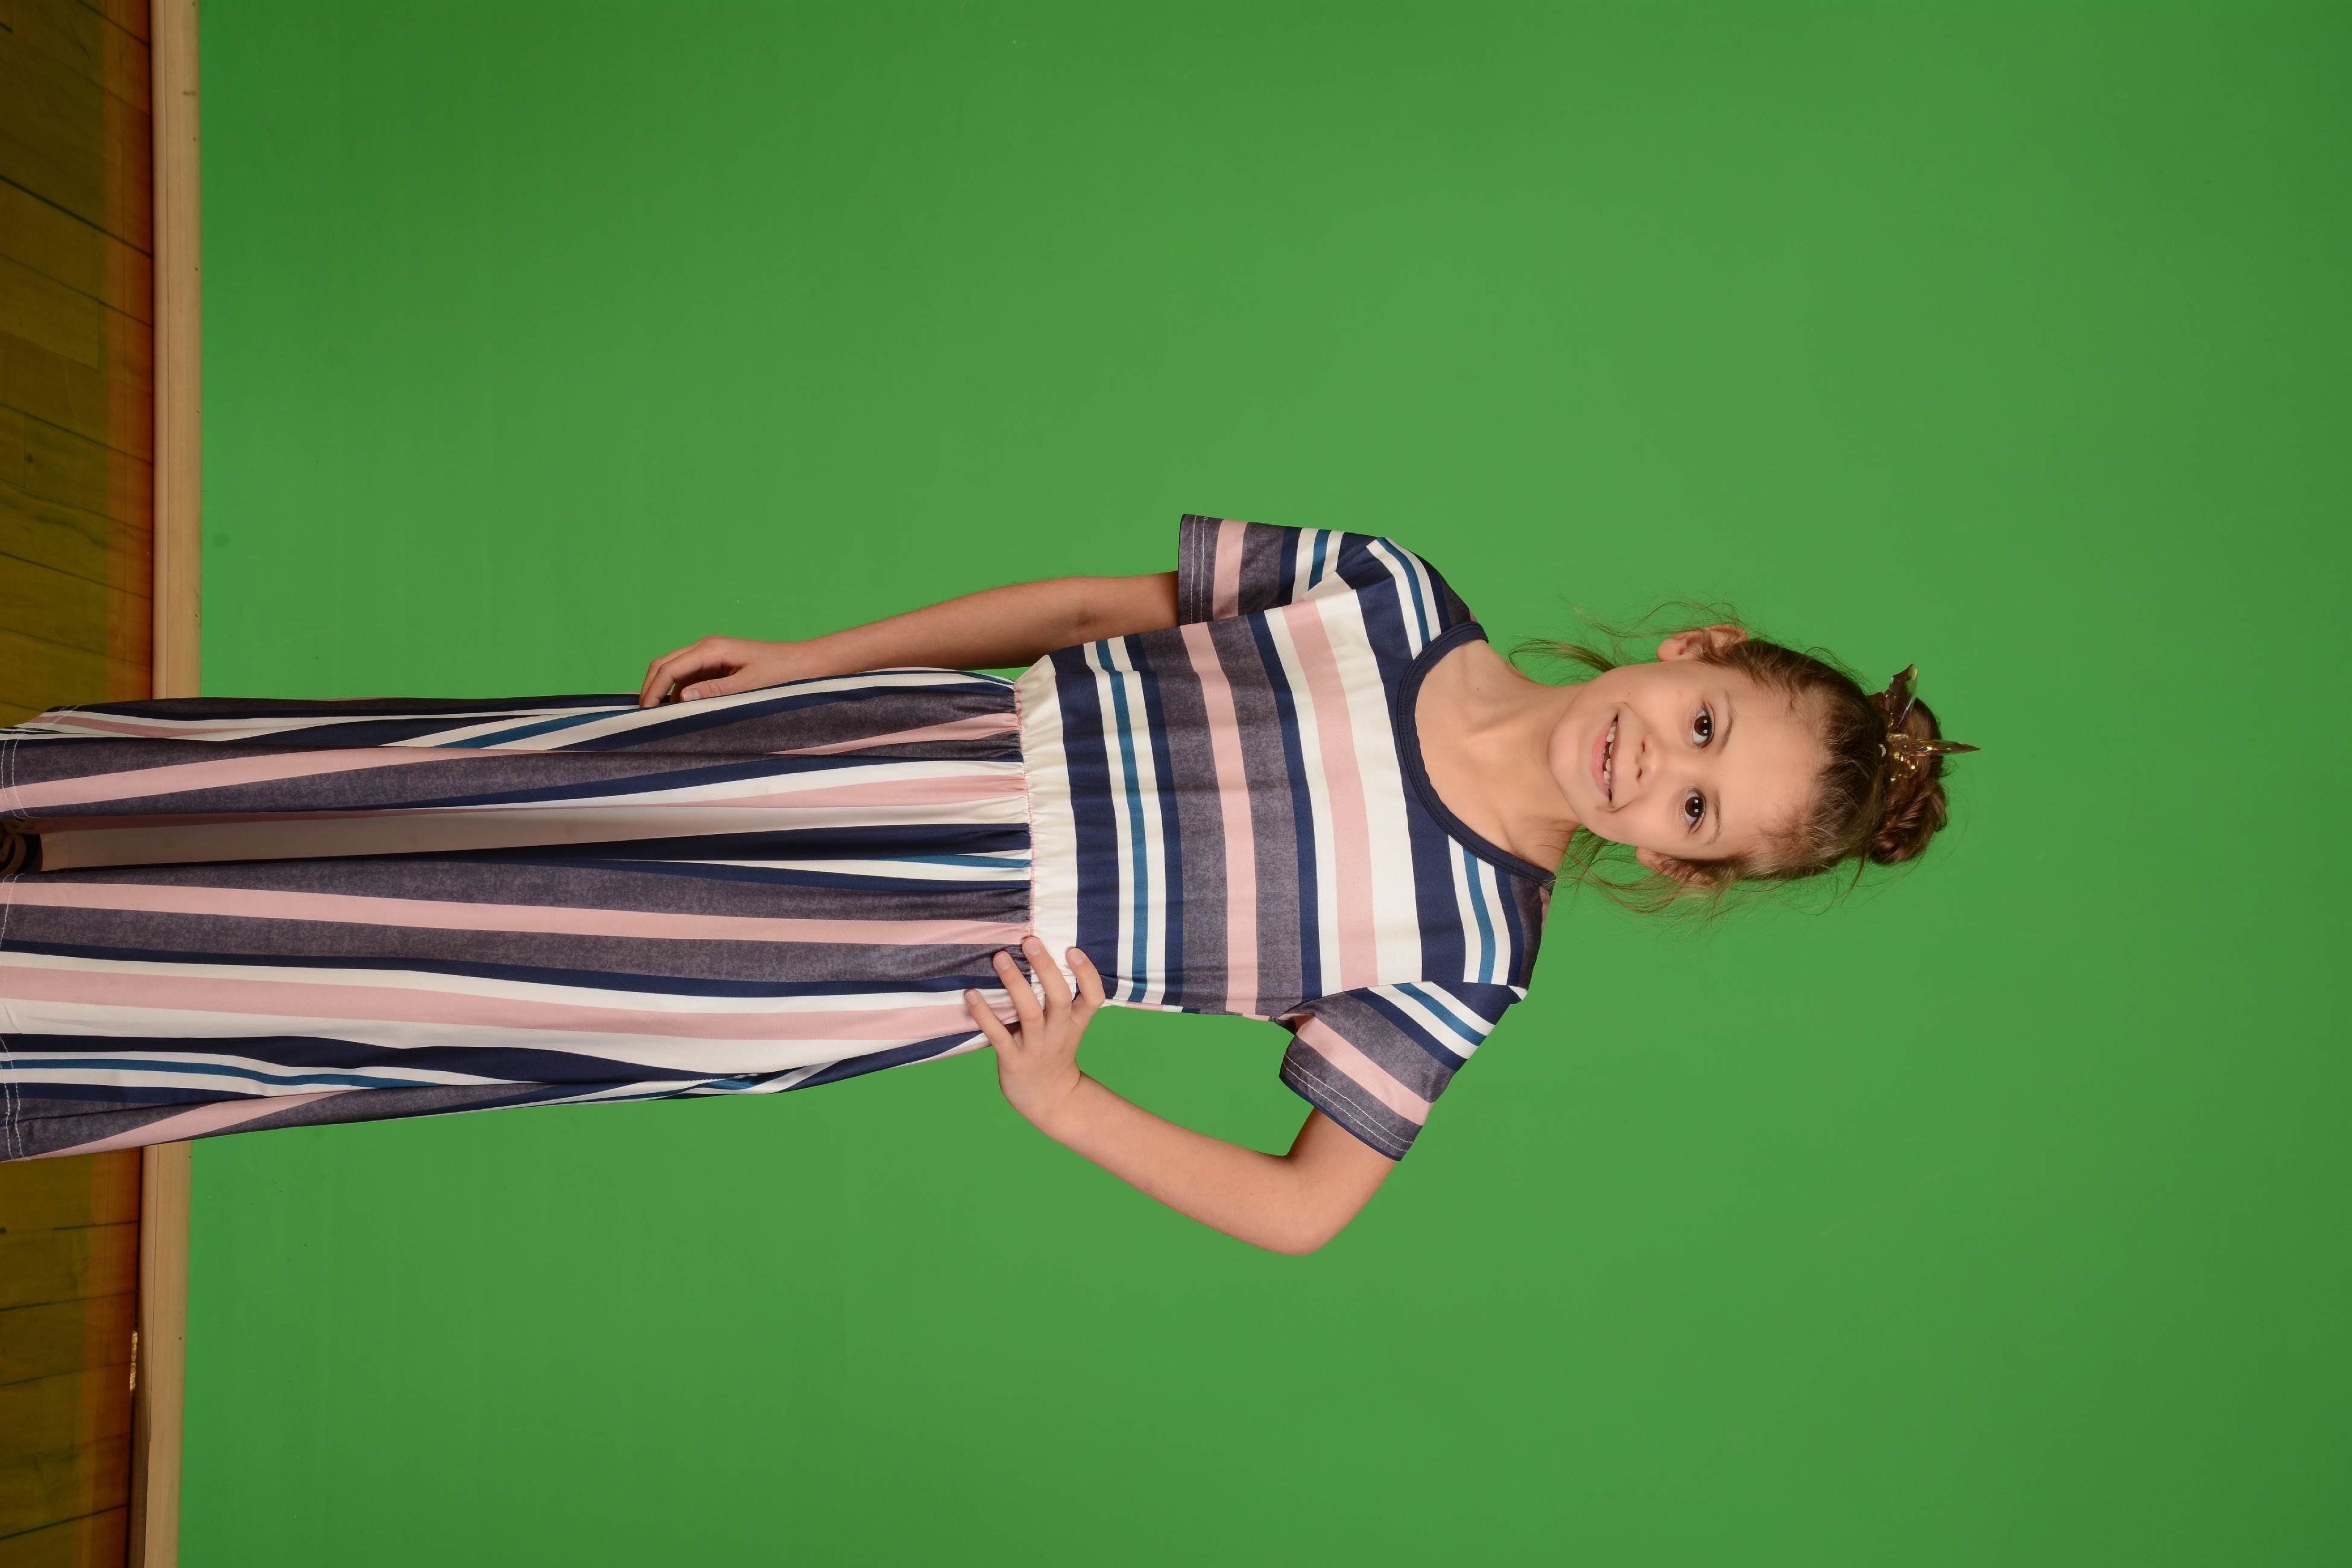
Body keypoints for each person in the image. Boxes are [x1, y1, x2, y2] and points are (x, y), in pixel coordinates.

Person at [0, 517, 1969, 1250]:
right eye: (1701, 729)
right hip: (870, 751)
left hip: (871, 954)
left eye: (1696, 813)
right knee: (449, 799)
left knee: (438, 966)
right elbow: (1091, 606)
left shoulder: (1469, 947)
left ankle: (46, 1011)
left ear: (1677, 869)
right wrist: (821, 654)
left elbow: (1306, 1212)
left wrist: (1064, 1098)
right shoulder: (1380, 591)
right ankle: (49, 804)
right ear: (1697, 650)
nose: (1657, 771)